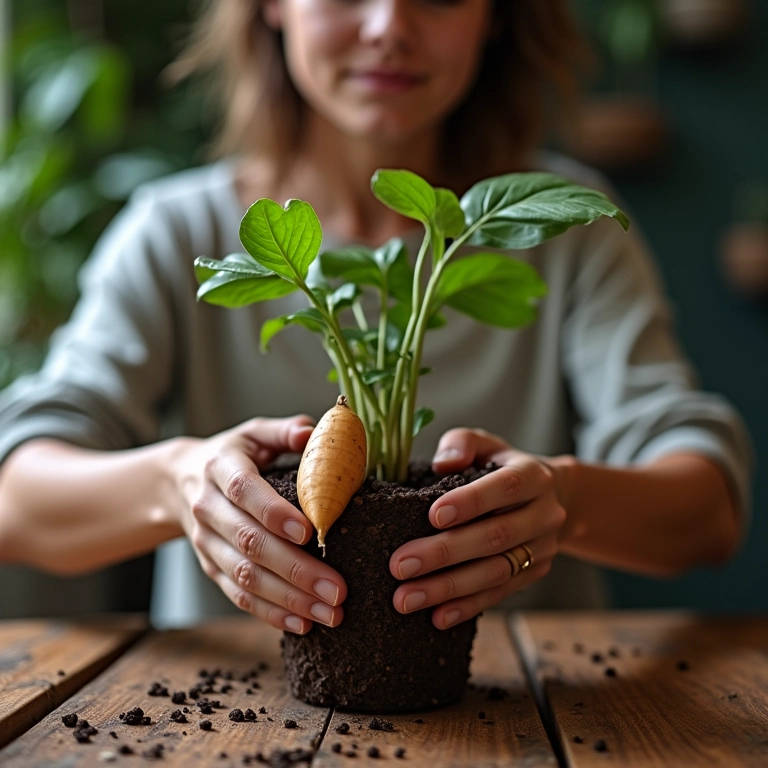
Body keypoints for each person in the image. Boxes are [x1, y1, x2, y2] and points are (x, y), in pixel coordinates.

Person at [0, 0, 751, 633]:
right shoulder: (173, 234)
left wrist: (563, 502)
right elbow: (16, 496)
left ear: (494, 16)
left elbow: (708, 511)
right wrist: (178, 482)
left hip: (530, 710)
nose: (390, 25)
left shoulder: (569, 233)